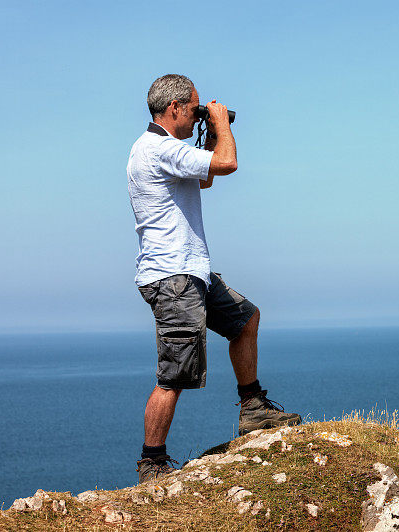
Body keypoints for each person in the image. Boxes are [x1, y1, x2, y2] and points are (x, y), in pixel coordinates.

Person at [127, 74, 301, 484]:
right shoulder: (157, 148)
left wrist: (206, 135)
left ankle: (253, 408)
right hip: (174, 278)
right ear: (175, 108)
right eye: (195, 108)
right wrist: (220, 124)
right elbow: (227, 164)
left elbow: (204, 176)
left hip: (192, 273)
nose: (197, 114)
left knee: (245, 318)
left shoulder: (163, 150)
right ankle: (152, 463)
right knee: (175, 375)